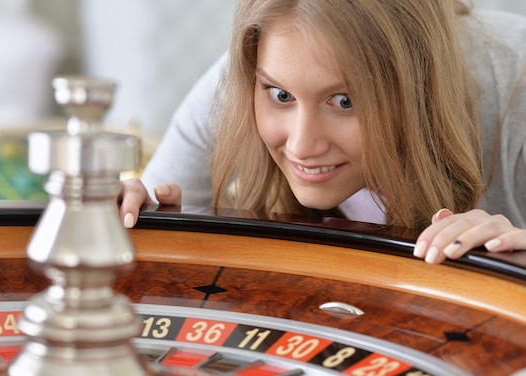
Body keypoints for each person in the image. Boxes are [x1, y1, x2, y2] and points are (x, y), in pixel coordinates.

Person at [120, 0, 526, 265]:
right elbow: (155, 216)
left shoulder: (517, 79)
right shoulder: (242, 77)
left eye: (344, 101)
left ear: (418, 85)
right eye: (280, 95)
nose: (301, 145)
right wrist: (145, 227)